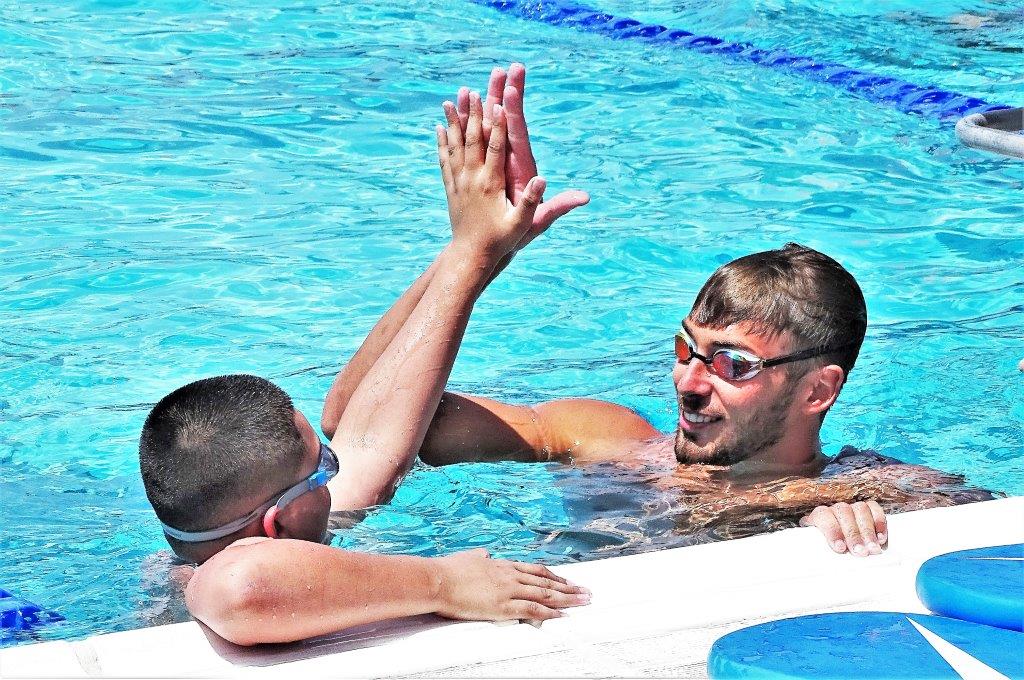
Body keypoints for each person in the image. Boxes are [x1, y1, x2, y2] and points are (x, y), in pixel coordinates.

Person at [321, 64, 995, 559]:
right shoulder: (605, 442)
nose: (688, 382)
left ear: (818, 390)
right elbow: (351, 425)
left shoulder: (885, 492)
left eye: (732, 364)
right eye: (685, 350)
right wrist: (473, 253)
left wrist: (846, 525)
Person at [138, 89, 591, 646]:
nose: (337, 466)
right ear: (278, 523)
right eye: (323, 468)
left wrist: (479, 248)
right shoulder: (196, 588)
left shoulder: (275, 532)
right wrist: (445, 583)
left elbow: (373, 436)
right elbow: (241, 587)